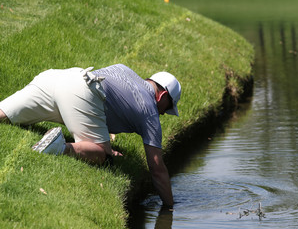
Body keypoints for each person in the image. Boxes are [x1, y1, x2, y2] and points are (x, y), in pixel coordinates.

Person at [0, 64, 181, 208]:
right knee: (103, 156)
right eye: (167, 107)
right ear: (162, 95)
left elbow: (107, 104)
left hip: (56, 77)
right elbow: (157, 168)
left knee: (3, 115)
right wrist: (170, 207)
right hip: (82, 92)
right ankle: (59, 148)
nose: (164, 113)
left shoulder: (124, 69)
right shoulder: (149, 112)